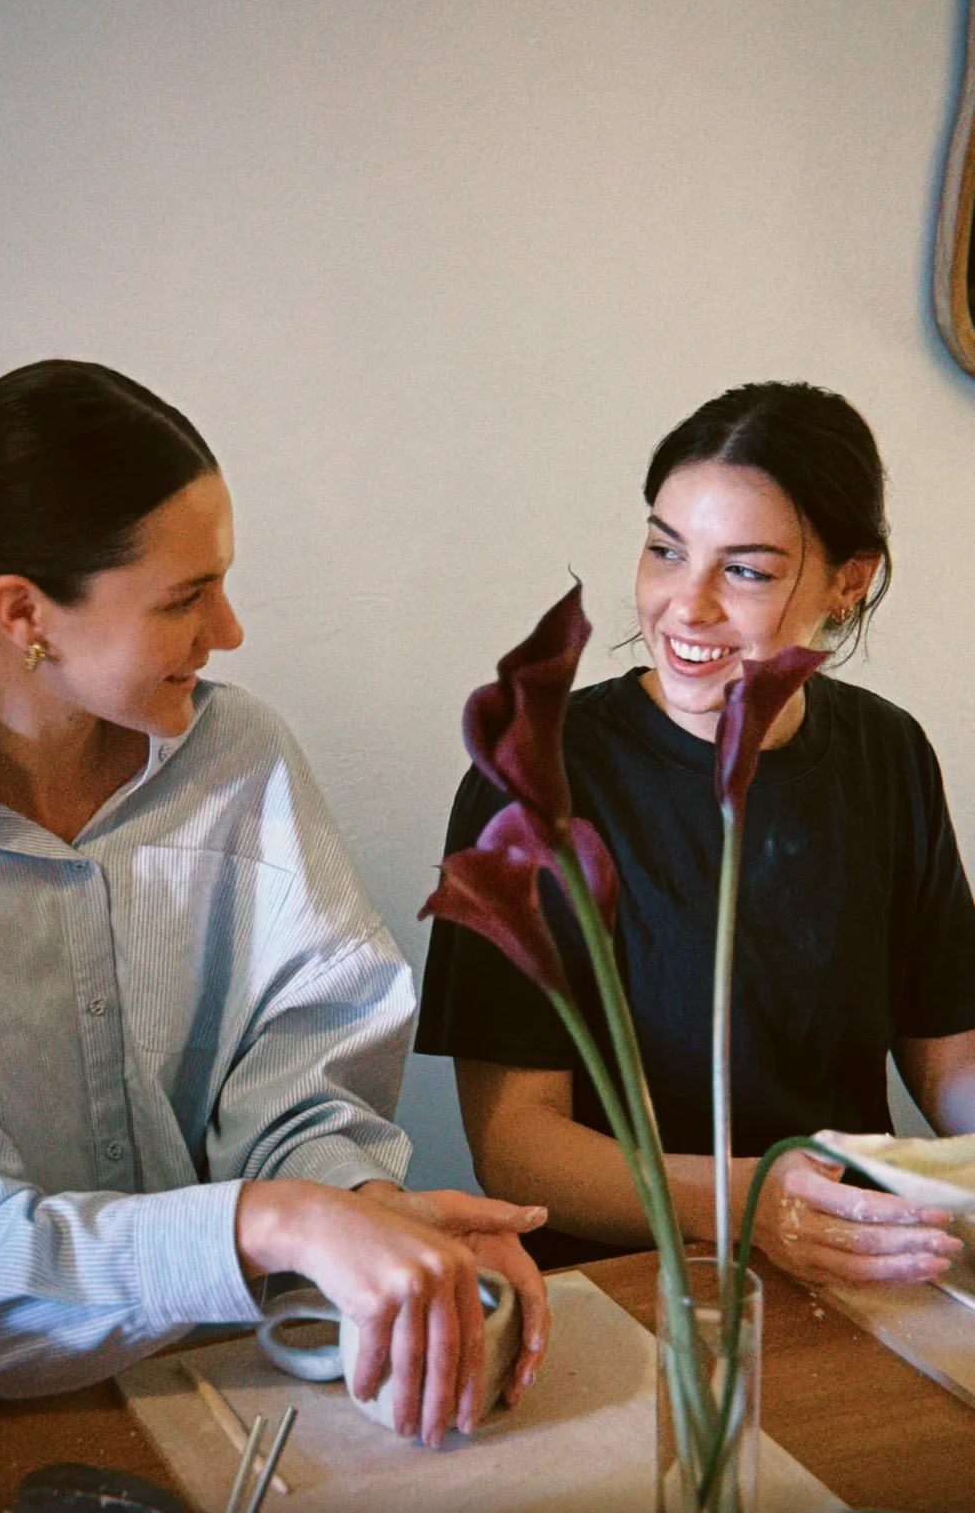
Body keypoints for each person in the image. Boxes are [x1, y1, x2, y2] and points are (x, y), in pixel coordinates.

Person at [0, 359, 548, 1448]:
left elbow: (303, 1084)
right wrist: (274, 1223)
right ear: (23, 612)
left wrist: (366, 1212)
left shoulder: (241, 757)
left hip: (264, 1404)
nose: (230, 629)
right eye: (185, 597)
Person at [418, 381, 975, 1287]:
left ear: (850, 582)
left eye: (745, 570)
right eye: (666, 550)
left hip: (846, 1274)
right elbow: (514, 1142)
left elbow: (950, 1054)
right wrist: (750, 1201)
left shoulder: (889, 752)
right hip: (630, 1290)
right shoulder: (537, 773)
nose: (687, 605)